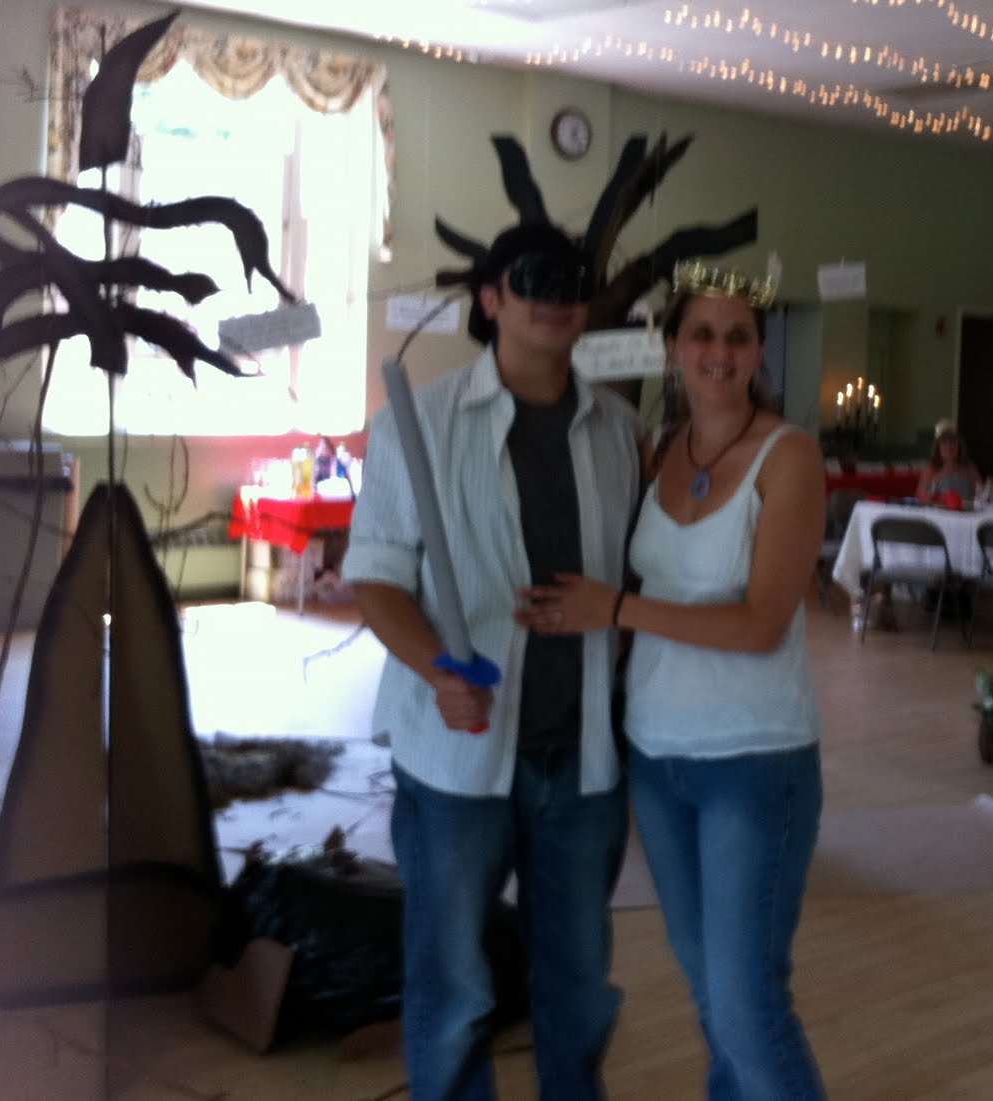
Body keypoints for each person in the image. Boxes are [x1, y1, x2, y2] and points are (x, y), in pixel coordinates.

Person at [342, 220, 641, 1101]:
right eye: (533, 281)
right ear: (492, 298)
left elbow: (633, 584)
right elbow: (377, 577)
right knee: (453, 988)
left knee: (578, 985)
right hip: (456, 763)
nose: (555, 299)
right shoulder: (416, 425)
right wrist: (440, 668)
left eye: (573, 283)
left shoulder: (619, 430)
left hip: (582, 758)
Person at [517, 258, 829, 1100]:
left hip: (754, 760)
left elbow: (761, 625)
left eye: (738, 336)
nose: (719, 352)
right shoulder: (657, 450)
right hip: (656, 756)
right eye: (702, 334)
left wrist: (615, 607)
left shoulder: (790, 457)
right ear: (673, 347)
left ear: (759, 350)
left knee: (749, 1004)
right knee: (711, 995)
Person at [914, 418, 981, 504]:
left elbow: (982, 493)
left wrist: (966, 475)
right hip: (939, 511)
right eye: (944, 442)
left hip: (967, 510)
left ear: (959, 446)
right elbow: (919, 497)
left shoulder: (969, 467)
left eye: (953, 442)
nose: (949, 446)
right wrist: (938, 478)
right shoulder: (931, 467)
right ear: (938, 447)